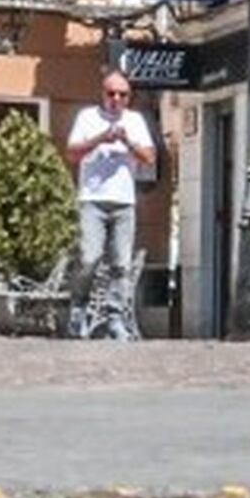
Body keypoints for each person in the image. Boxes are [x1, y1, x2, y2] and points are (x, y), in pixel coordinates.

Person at [63, 68, 159, 338]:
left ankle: (115, 317)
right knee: (89, 258)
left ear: (129, 98)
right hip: (92, 199)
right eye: (111, 93)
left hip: (123, 201)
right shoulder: (87, 118)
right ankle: (78, 309)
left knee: (121, 264)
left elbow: (149, 157)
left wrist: (127, 140)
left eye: (123, 94)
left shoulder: (135, 120)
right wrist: (101, 138)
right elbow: (71, 153)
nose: (116, 99)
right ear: (102, 94)